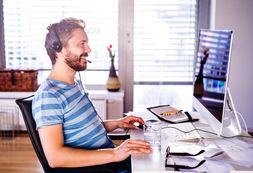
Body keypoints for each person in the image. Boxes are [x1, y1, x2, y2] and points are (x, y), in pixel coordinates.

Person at [32, 18, 152, 172]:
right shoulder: (49, 96)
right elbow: (55, 158)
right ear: (59, 49)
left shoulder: (74, 85)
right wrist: (115, 153)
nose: (88, 50)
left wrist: (117, 123)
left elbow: (85, 131)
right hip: (100, 167)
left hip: (110, 162)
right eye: (82, 44)